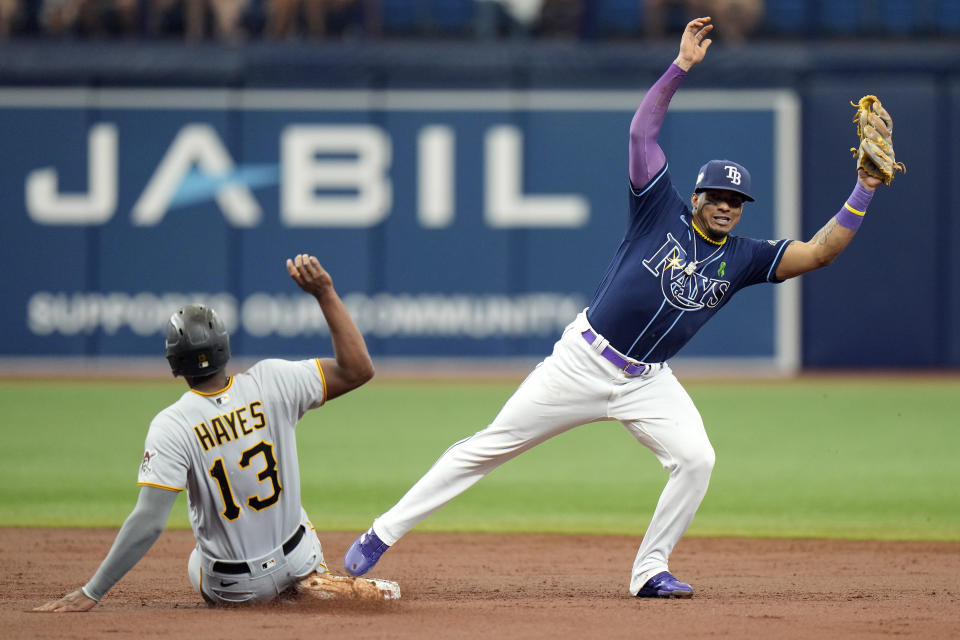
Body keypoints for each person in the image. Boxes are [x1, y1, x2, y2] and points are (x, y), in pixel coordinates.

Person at [343, 16, 888, 599]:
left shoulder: (747, 257)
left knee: (696, 459)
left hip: (648, 381)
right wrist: (679, 68)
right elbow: (640, 137)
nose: (728, 206)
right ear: (698, 196)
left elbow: (819, 252)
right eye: (719, 196)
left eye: (738, 200)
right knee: (489, 446)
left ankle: (650, 570)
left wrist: (864, 188)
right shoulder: (661, 210)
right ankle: (380, 534)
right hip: (582, 362)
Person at [34, 254, 375, 611]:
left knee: (196, 561)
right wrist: (325, 293)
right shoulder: (275, 380)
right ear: (224, 348)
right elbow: (357, 370)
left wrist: (92, 591)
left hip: (235, 587)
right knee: (298, 519)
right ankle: (309, 580)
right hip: (296, 559)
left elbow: (149, 522)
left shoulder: (172, 424)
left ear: (173, 363)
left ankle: (276, 592)